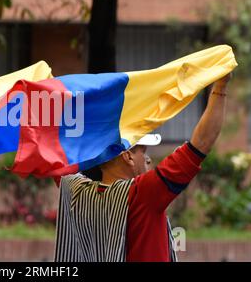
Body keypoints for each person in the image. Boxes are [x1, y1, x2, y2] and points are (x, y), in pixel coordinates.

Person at [54, 74, 231, 262]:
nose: (148, 160)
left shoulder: (75, 190)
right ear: (127, 155)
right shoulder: (143, 194)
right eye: (143, 153)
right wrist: (221, 87)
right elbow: (200, 144)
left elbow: (54, 157)